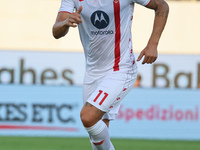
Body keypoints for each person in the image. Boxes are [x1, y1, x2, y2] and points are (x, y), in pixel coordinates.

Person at [53, 0, 169, 149]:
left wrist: (153, 43)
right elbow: (56, 32)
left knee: (88, 117)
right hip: (92, 72)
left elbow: (162, 6)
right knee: (96, 132)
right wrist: (65, 23)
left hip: (121, 68)